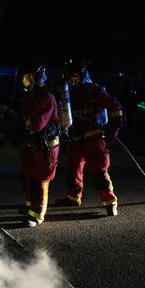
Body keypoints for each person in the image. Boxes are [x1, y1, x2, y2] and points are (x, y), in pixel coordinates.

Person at [55, 67, 123, 216]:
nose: (72, 81)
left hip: (94, 138)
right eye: (70, 78)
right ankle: (73, 198)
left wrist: (115, 128)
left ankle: (110, 203)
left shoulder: (95, 91)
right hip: (77, 139)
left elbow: (116, 107)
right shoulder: (68, 94)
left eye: (75, 77)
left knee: (99, 172)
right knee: (73, 170)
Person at [19, 68, 61, 226]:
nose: (25, 82)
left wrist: (23, 122)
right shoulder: (29, 97)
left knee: (40, 180)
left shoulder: (47, 98)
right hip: (33, 146)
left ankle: (37, 215)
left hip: (46, 149)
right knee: (27, 176)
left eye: (28, 78)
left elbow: (37, 124)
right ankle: (31, 208)